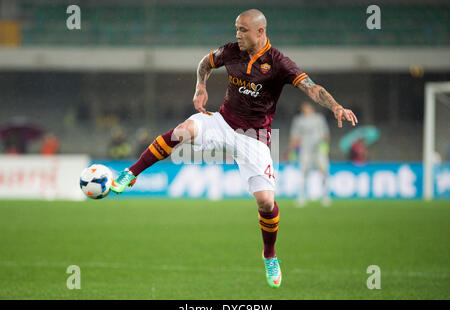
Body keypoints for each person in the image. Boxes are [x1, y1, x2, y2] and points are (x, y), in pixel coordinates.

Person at [110, 9, 358, 288]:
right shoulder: (230, 52)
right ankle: (130, 174)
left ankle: (269, 254)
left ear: (260, 32)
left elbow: (311, 87)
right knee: (182, 131)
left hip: (255, 137)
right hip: (222, 123)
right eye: (236, 29)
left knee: (265, 202)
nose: (237, 35)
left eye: (243, 30)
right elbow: (205, 62)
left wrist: (335, 106)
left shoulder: (279, 63)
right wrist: (200, 86)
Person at [289, 102, 330, 207]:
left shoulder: (319, 118)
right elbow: (295, 136)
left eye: (308, 108)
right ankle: (302, 197)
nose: (307, 110)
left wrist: (325, 146)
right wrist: (293, 150)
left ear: (312, 109)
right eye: (304, 109)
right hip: (305, 149)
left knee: (323, 171)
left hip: (318, 149)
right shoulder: (298, 120)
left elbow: (325, 133)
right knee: (303, 172)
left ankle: (326, 196)